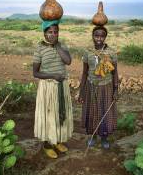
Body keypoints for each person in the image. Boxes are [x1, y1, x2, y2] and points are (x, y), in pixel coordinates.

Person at [33, 20, 73, 159]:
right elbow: (36, 73)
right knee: (49, 116)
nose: (53, 34)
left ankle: (57, 141)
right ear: (44, 33)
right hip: (48, 87)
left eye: (56, 32)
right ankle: (47, 145)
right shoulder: (40, 48)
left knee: (60, 115)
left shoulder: (61, 45)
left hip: (61, 86)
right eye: (50, 32)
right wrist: (53, 75)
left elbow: (68, 61)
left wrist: (57, 46)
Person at [78, 25, 118, 149]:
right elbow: (84, 72)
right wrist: (81, 91)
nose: (99, 38)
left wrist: (116, 89)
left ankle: (104, 138)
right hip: (91, 87)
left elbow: (115, 72)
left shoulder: (111, 53)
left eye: (102, 36)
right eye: (96, 35)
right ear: (92, 36)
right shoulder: (88, 53)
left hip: (106, 87)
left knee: (105, 112)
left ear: (105, 37)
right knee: (92, 112)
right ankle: (93, 136)